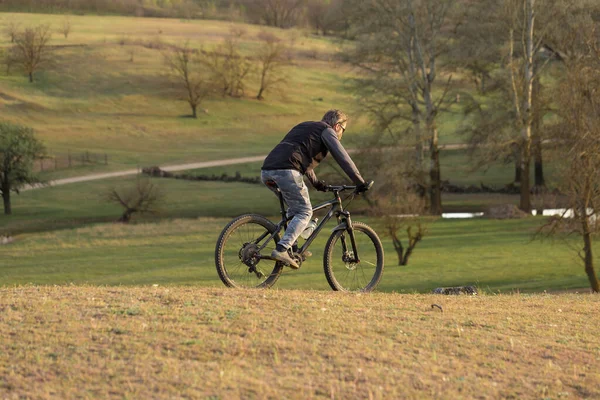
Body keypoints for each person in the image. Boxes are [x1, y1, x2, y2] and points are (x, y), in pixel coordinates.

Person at [261, 109, 369, 269]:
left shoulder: (307, 127)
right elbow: (342, 157)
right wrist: (359, 181)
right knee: (305, 211)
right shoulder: (328, 131)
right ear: (337, 126)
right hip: (287, 170)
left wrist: (317, 183)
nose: (341, 135)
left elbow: (300, 156)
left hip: (267, 170)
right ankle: (282, 249)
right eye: (343, 130)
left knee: (295, 210)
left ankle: (294, 250)